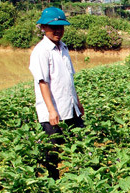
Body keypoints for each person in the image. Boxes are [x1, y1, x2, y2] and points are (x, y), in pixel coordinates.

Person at [29, 7, 84, 179]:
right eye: (54, 28)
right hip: (54, 111)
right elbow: (42, 82)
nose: (58, 31)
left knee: (80, 143)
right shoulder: (41, 51)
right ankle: (54, 182)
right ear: (43, 28)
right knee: (53, 150)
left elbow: (69, 79)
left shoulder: (64, 48)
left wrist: (78, 102)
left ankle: (81, 178)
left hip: (70, 107)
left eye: (61, 27)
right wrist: (51, 110)